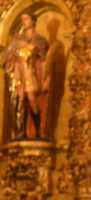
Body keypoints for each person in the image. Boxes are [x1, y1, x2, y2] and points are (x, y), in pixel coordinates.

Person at [1, 10, 50, 139]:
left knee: (32, 100)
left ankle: (38, 131)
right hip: (18, 75)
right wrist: (12, 55)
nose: (24, 22)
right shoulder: (17, 40)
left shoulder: (40, 40)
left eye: (26, 19)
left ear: (33, 21)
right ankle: (20, 132)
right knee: (20, 102)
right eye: (22, 19)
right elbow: (4, 57)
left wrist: (45, 79)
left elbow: (44, 61)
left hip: (30, 73)